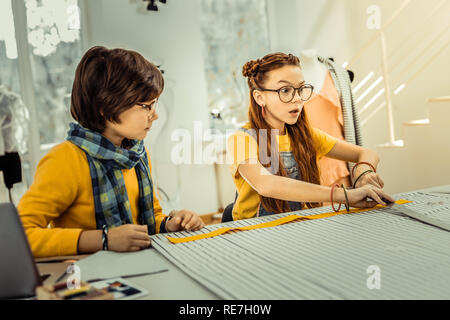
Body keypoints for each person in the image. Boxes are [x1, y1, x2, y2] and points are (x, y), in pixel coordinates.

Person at [18, 46, 204, 258]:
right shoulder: (65, 159)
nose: (155, 116)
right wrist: (104, 239)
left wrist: (171, 224)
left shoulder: (137, 154)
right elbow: (21, 236)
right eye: (146, 106)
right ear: (107, 108)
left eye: (154, 104)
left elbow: (150, 218)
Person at [226, 52, 394, 220]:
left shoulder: (307, 136)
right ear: (260, 97)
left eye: (300, 89)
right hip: (254, 232)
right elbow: (266, 185)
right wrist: (343, 195)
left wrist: (364, 174)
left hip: (298, 225)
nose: (297, 99)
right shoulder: (243, 139)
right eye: (285, 90)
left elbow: (367, 153)